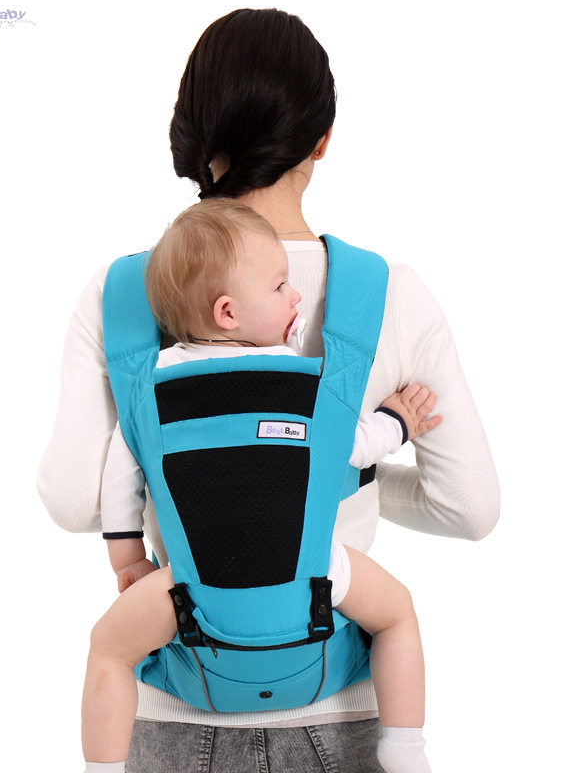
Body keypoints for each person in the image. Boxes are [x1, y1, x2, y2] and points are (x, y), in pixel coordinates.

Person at [38, 8, 500, 773]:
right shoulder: (389, 295)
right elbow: (470, 508)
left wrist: (183, 489)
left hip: (178, 696)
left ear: (193, 134)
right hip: (339, 700)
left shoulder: (122, 296)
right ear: (321, 139)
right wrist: (347, 476)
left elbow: (68, 498)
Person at [82, 199, 442, 773]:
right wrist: (398, 421)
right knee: (397, 614)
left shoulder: (148, 392)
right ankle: (405, 749)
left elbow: (120, 477)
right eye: (279, 287)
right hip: (314, 575)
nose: (295, 296)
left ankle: (101, 768)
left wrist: (126, 558)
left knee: (107, 650)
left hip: (190, 591)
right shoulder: (299, 385)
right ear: (228, 312)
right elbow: (351, 447)